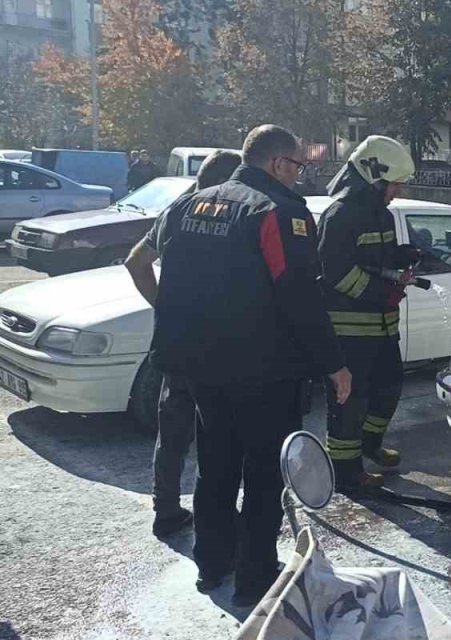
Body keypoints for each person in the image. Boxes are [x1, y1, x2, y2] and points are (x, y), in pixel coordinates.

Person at [147, 125, 351, 606]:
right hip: (263, 371)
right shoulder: (278, 212)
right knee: (263, 474)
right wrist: (334, 364)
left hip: (199, 366)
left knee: (215, 465)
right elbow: (300, 297)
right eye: (297, 166)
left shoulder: (187, 205)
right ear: (278, 163)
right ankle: (255, 579)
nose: (299, 175)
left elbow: (166, 274)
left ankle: (212, 563)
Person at [124, 149, 243, 538]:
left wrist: (164, 306)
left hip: (176, 342)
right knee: (220, 431)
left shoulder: (176, 212)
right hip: (220, 345)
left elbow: (136, 263)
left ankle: (166, 509)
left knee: (173, 430)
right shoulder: (237, 213)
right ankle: (219, 513)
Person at [317, 136, 420, 493]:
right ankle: (346, 472)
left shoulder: (383, 216)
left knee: (389, 388)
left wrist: (402, 256)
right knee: (350, 401)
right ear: (374, 179)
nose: (397, 191)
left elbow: (378, 259)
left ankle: (370, 445)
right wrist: (381, 293)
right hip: (349, 330)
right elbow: (335, 272)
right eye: (393, 184)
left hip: (382, 326)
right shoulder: (340, 215)